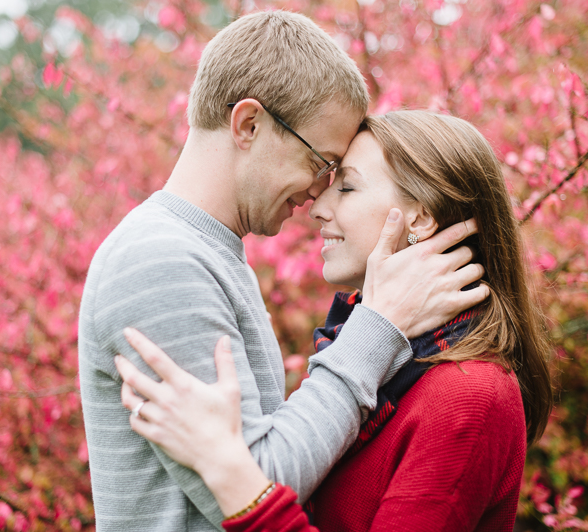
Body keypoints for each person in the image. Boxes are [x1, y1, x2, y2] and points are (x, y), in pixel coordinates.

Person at [78, 11, 488, 531]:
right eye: (320, 161)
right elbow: (256, 482)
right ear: (249, 125)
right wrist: (376, 329)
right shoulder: (161, 263)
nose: (319, 192)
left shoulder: (209, 254)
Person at [115, 111, 554, 531]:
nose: (316, 206)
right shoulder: (385, 365)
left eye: (346, 189)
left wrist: (228, 471)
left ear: (420, 216)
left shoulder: (469, 396)